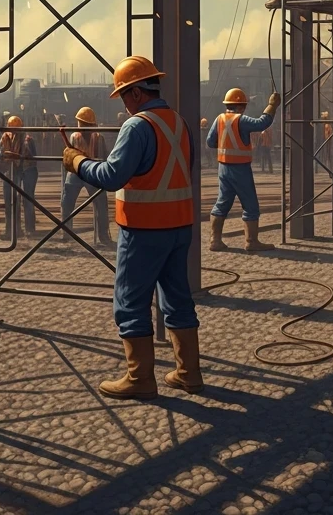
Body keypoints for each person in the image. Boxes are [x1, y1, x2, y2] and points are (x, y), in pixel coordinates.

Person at [62, 56, 201, 398]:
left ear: (137, 93)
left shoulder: (137, 126)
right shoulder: (180, 123)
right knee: (177, 298)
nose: (123, 104)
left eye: (123, 95)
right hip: (179, 225)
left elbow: (112, 176)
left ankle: (140, 379)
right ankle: (189, 373)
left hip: (144, 228)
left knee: (130, 302)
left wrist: (78, 162)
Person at [206, 88, 281, 252]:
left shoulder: (219, 119)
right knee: (250, 205)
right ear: (241, 106)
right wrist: (272, 105)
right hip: (240, 168)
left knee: (222, 203)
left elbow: (210, 142)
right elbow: (262, 123)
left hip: (223, 168)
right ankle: (251, 241)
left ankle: (215, 240)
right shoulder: (241, 120)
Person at [60, 106, 111, 246]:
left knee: (101, 203)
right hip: (76, 173)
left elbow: (104, 156)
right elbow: (70, 151)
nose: (82, 127)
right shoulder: (75, 137)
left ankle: (103, 235)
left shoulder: (98, 138)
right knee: (67, 202)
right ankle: (66, 232)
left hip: (91, 173)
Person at [0, 115, 39, 240]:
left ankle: (30, 229)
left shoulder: (27, 139)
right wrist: (3, 159)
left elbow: (33, 158)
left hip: (28, 169)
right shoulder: (5, 138)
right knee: (10, 199)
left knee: (27, 199)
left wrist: (19, 156)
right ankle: (12, 230)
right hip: (12, 168)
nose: (13, 132)